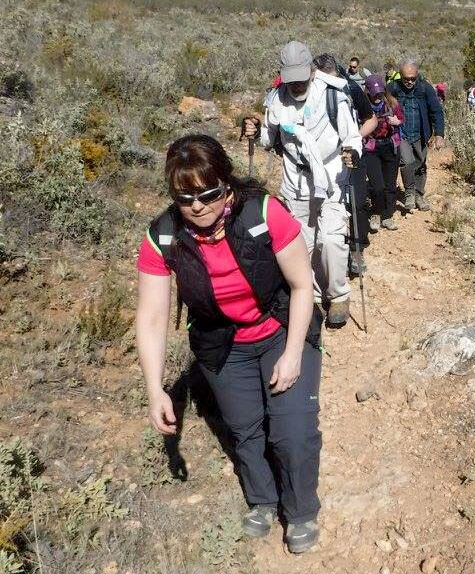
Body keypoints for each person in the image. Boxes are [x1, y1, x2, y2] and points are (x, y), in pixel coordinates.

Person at [136, 135, 323, 554]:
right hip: (221, 343)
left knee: (292, 429)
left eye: (208, 193)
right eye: (185, 197)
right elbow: (151, 317)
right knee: (245, 429)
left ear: (227, 184)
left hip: (279, 326)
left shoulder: (262, 212)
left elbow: (301, 286)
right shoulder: (163, 236)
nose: (198, 205)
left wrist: (293, 353)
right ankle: (262, 499)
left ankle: (300, 510)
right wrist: (155, 389)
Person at [244, 41, 361, 328]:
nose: (296, 85)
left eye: (301, 77)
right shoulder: (276, 100)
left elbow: (352, 136)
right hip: (295, 181)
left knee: (331, 240)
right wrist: (254, 131)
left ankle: (338, 295)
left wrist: (351, 152)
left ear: (311, 69)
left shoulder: (333, 94)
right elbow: (269, 140)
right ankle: (309, 296)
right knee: (302, 245)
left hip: (332, 175)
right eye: (291, 79)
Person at [312, 53, 377, 279]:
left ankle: (357, 250)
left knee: (357, 203)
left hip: (352, 155)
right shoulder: (311, 92)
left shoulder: (350, 88)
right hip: (324, 161)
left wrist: (352, 140)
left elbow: (371, 120)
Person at [387, 57, 445, 212]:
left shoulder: (425, 88)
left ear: (417, 75)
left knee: (420, 164)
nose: (410, 82)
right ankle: (409, 193)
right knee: (406, 162)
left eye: (413, 79)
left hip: (421, 133)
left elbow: (436, 112)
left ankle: (419, 194)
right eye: (406, 79)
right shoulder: (393, 87)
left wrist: (439, 134)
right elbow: (383, 105)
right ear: (400, 75)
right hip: (402, 134)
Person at [363, 75, 404, 232]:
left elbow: (401, 118)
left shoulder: (392, 103)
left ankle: (387, 216)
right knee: (377, 185)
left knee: (390, 184)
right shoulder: (363, 106)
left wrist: (397, 121)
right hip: (372, 148)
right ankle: (376, 212)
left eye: (380, 93)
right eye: (374, 93)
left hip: (390, 146)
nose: (377, 96)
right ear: (368, 92)